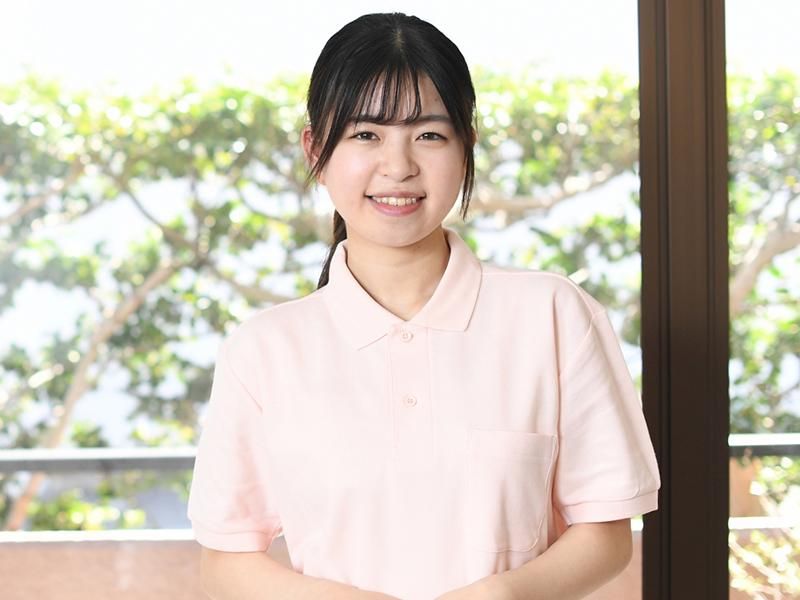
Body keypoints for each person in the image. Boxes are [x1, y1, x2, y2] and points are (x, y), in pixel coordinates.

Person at [187, 11, 661, 600]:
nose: (398, 167)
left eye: (429, 135)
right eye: (365, 134)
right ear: (316, 150)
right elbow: (226, 561)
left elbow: (606, 535)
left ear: (467, 146)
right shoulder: (264, 349)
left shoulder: (554, 315)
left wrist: (495, 597)